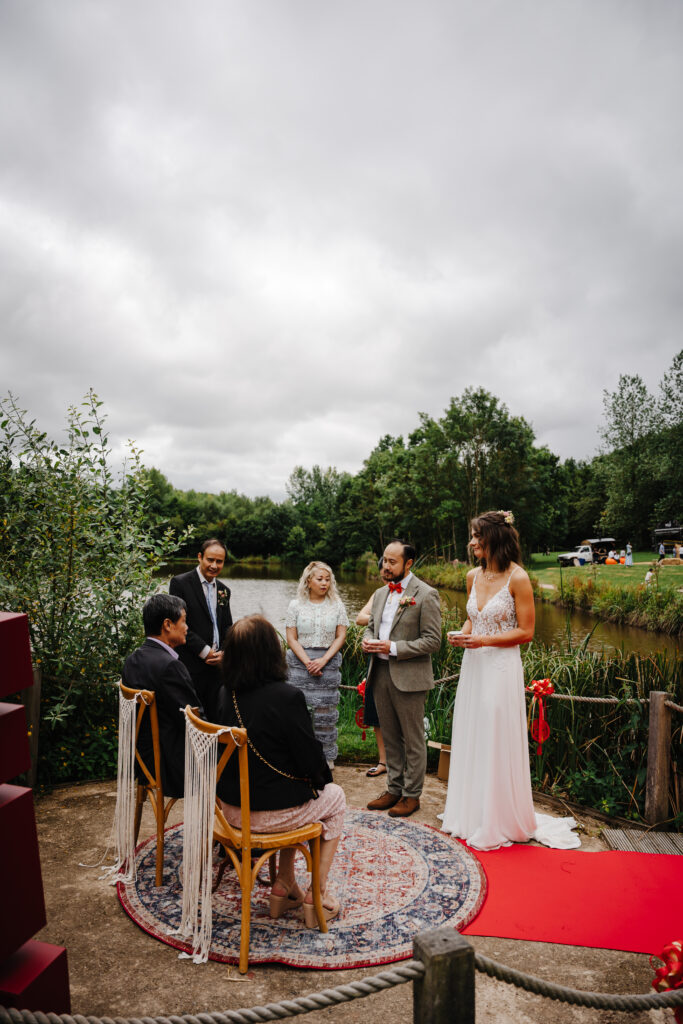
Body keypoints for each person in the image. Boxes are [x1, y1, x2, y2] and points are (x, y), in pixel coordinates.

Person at [440, 511, 579, 851]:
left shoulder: (518, 578)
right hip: (474, 666)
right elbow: (474, 620)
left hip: (501, 668)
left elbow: (527, 632)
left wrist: (483, 641)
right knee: (472, 731)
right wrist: (462, 635)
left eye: (477, 536)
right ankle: (470, 814)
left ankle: (497, 818)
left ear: (494, 539)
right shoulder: (473, 575)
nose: (472, 542)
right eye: (472, 536)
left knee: (494, 734)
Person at [216, 615, 346, 926]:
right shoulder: (287, 697)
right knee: (335, 797)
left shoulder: (224, 693)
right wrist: (321, 778)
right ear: (271, 653)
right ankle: (319, 895)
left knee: (299, 794)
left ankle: (284, 886)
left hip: (227, 812)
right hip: (267, 816)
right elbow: (311, 764)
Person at [362, 539, 442, 818]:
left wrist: (393, 648)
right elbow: (371, 627)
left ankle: (411, 795)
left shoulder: (426, 594)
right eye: (384, 560)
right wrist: (368, 641)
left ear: (409, 564)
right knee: (391, 737)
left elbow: (433, 641)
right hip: (380, 673)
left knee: (413, 739)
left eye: (392, 561)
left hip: (409, 677)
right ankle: (393, 788)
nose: (386, 566)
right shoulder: (380, 593)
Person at [121, 593, 203, 798]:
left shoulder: (133, 659)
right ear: (167, 625)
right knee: (232, 757)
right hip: (169, 766)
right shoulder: (170, 666)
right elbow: (194, 722)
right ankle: (228, 825)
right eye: (183, 621)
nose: (187, 628)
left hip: (141, 761)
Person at [285, 562, 349, 766]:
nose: (324, 583)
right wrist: (307, 662)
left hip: (327, 665)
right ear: (308, 581)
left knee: (325, 712)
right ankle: (298, 757)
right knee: (299, 711)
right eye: (320, 579)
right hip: (300, 666)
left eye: (327, 579)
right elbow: (291, 638)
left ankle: (326, 758)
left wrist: (323, 660)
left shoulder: (337, 604)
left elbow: (341, 636)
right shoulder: (295, 605)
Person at [169, 539, 233, 717]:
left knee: (215, 717)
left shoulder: (224, 590)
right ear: (199, 557)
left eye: (219, 561)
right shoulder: (180, 584)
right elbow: (178, 624)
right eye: (210, 560)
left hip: (217, 668)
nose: (214, 565)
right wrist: (205, 651)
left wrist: (224, 653)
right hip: (190, 665)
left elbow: (227, 626)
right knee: (191, 718)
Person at [356, 595, 387, 777]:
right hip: (377, 658)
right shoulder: (378, 594)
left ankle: (401, 762)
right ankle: (383, 761)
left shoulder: (413, 591)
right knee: (376, 711)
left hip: (402, 658)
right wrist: (385, 618)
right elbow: (360, 618)